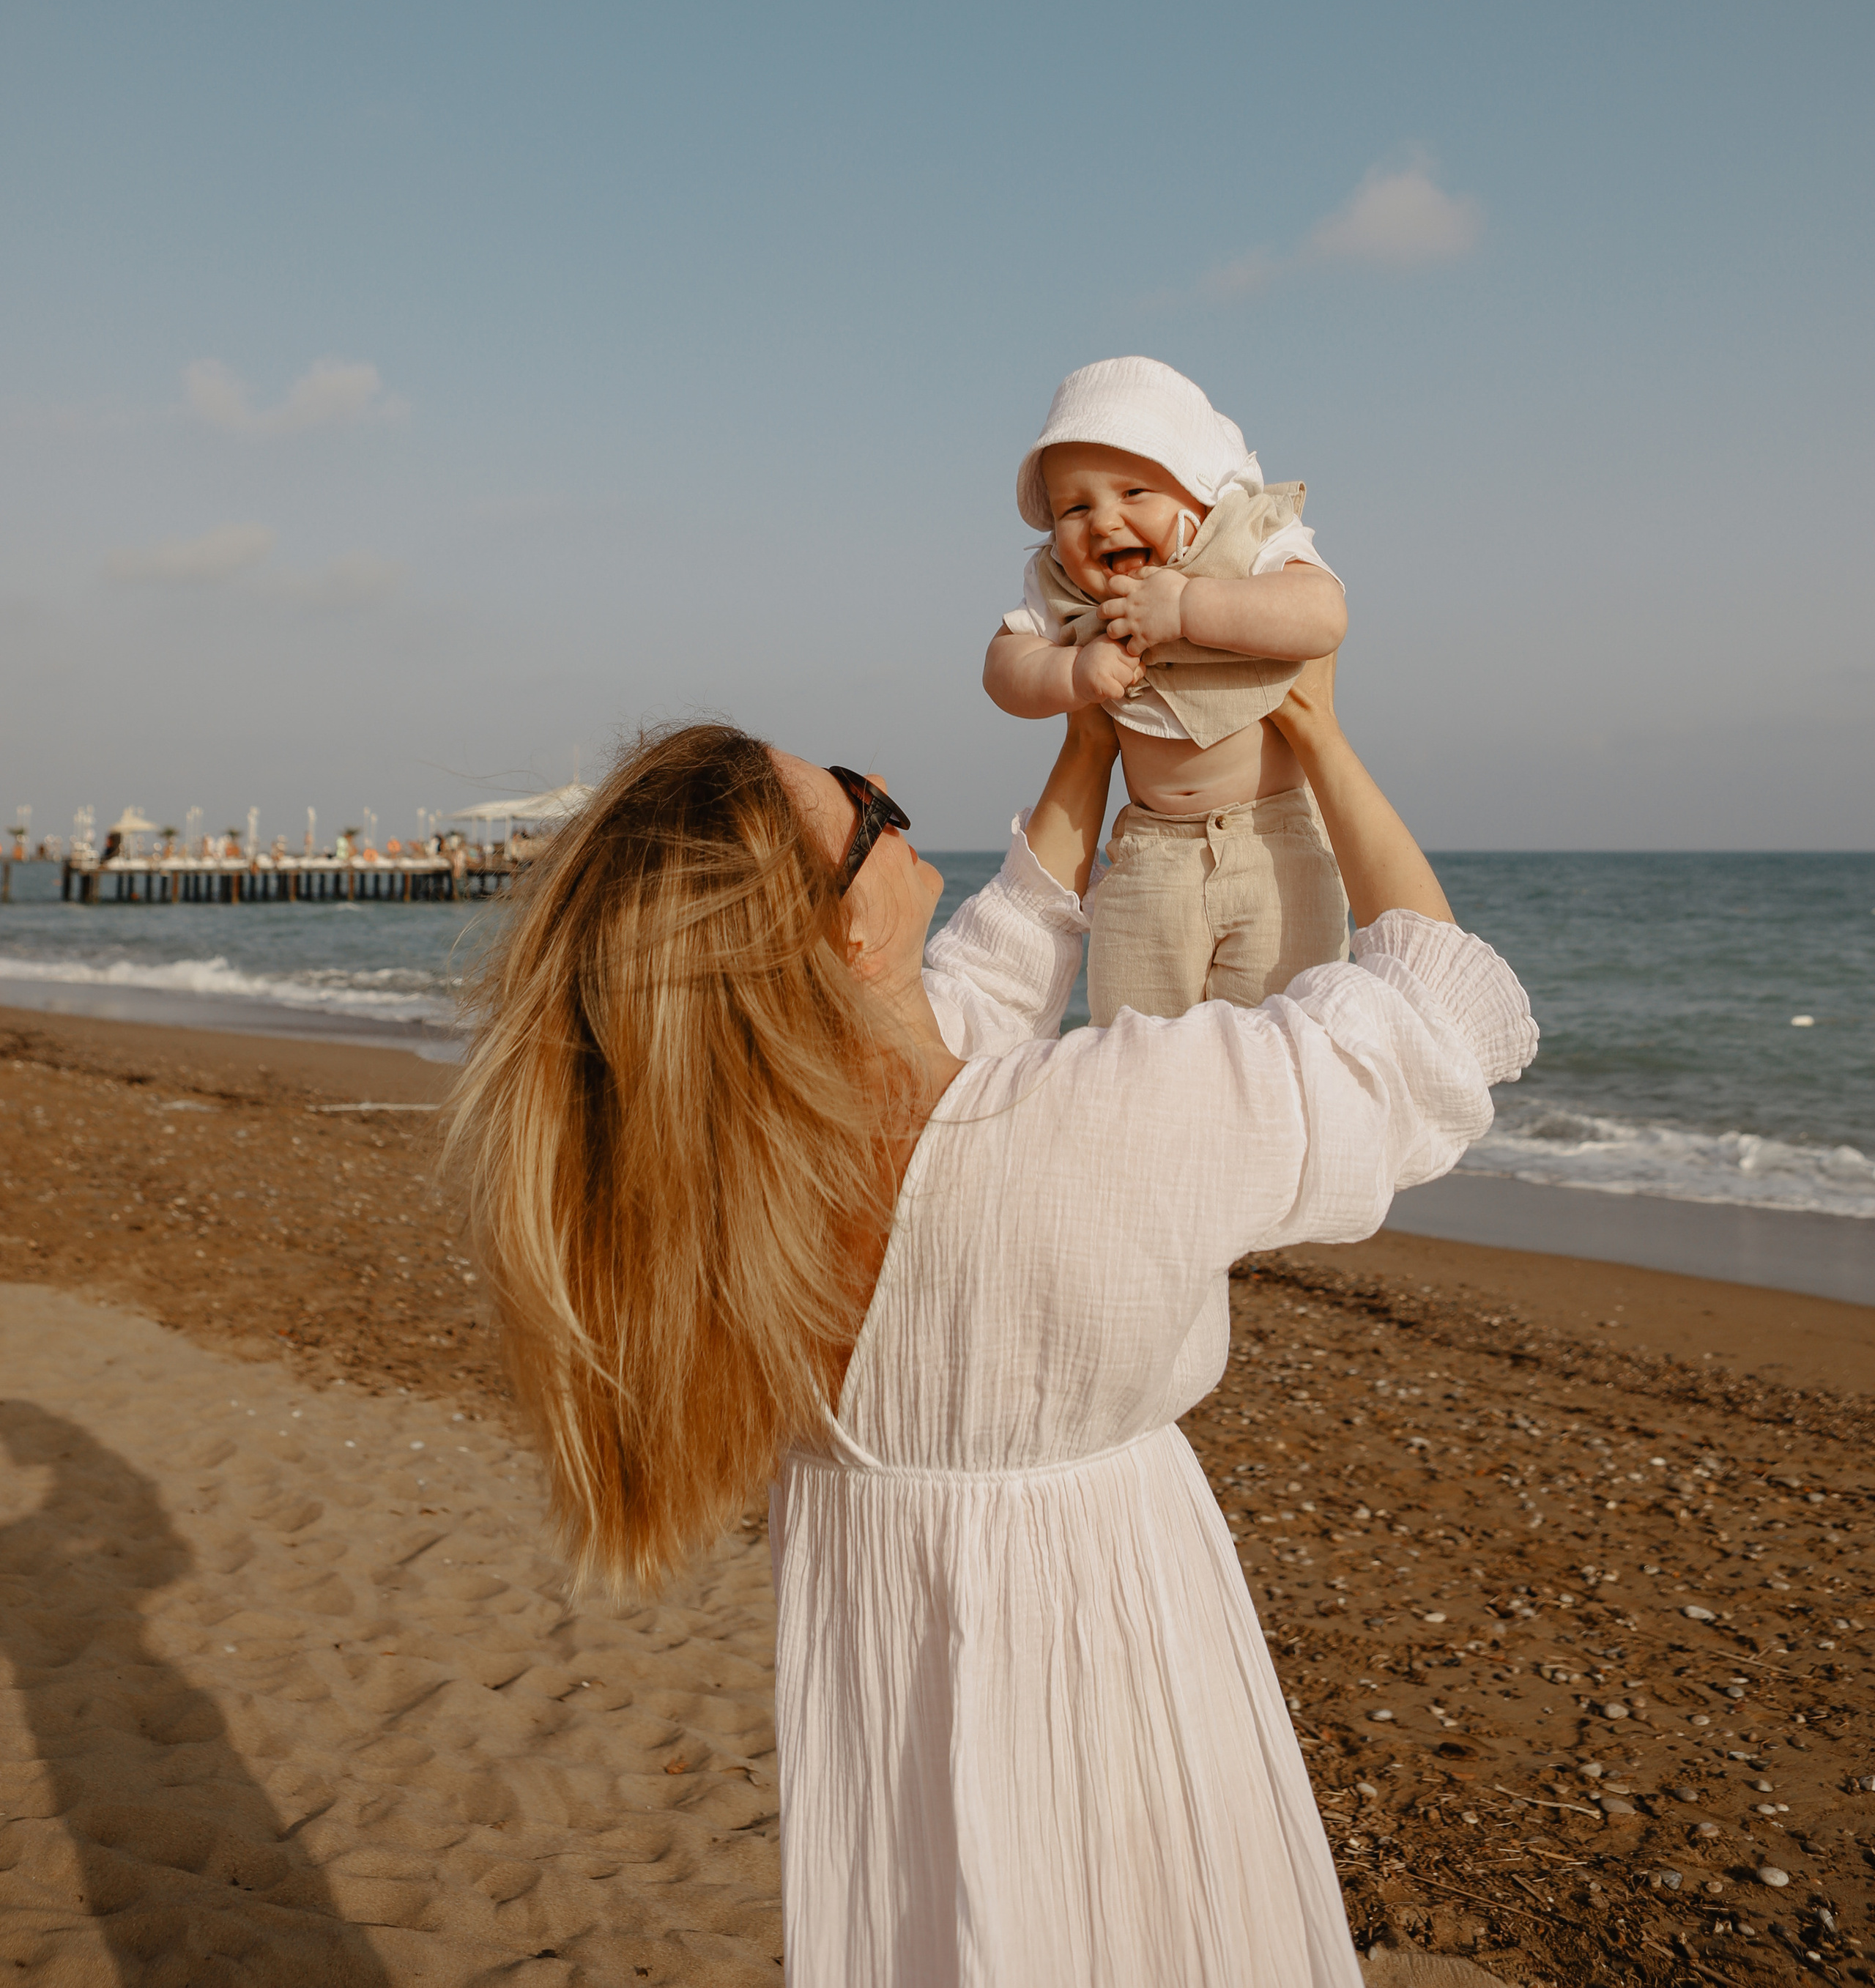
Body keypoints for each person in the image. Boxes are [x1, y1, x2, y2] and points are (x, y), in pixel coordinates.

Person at [443, 658, 1537, 1987]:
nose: (891, 789)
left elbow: (994, 962)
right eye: (859, 801)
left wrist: (1089, 748)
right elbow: (1443, 1011)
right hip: (1104, 1623)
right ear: (848, 936)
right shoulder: (1104, 1122)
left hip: (886, 1659)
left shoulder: (731, 1188)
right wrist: (1314, 729)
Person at [985, 355, 1351, 1023]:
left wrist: (1189, 610)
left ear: (1201, 491)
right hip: (1150, 853)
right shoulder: (1062, 590)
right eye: (1074, 507)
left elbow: (1323, 613)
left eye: (1133, 494)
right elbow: (1003, 669)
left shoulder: (1246, 541)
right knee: (1136, 1045)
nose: (1102, 522)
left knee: (1289, 1041)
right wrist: (1070, 671)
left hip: (1275, 844)